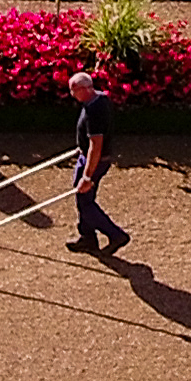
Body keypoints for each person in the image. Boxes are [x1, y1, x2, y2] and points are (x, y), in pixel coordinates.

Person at [62, 66, 129, 258]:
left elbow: (96, 145)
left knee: (85, 201)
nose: (72, 95)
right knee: (83, 199)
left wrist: (87, 176)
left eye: (74, 90)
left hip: (94, 162)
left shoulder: (94, 111)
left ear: (85, 89)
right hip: (89, 157)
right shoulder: (100, 98)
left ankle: (116, 235)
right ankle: (88, 238)